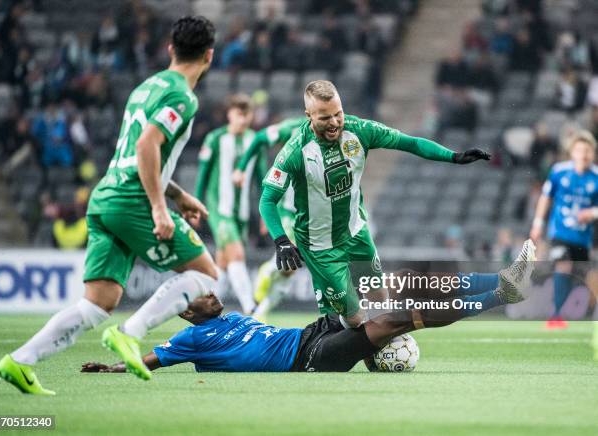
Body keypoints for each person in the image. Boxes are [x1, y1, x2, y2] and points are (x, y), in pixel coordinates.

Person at [0, 16, 218, 395]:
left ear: (170, 49)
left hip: (106, 196)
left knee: (98, 303)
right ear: (209, 56)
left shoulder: (145, 88)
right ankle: (131, 333)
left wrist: (177, 195)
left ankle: (19, 361)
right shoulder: (183, 96)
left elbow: (139, 152)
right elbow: (147, 146)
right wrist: (159, 209)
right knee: (206, 274)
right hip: (132, 200)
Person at [80, 244, 535, 373]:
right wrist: (113, 367)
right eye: (198, 294)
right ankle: (500, 297)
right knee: (394, 318)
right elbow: (151, 360)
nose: (210, 292)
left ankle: (499, 280)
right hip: (311, 360)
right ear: (184, 311)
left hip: (308, 333)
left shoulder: (230, 316)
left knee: (389, 285)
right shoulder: (189, 340)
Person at [259, 80, 491, 328]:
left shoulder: (360, 130)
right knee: (355, 320)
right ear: (309, 116)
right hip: (319, 246)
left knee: (382, 304)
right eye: (325, 118)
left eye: (338, 113)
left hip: (356, 232)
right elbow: (267, 200)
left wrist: (453, 157)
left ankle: (381, 352)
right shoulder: (295, 151)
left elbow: (409, 142)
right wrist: (281, 240)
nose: (335, 122)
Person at [194, 94, 265, 314]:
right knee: (236, 254)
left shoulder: (256, 140)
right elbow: (203, 175)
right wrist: (196, 205)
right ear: (229, 115)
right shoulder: (215, 139)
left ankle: (206, 308)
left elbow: (261, 179)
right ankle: (251, 307)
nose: (242, 120)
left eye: (246, 115)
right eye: (238, 114)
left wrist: (264, 213)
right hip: (219, 209)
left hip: (241, 212)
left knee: (224, 262)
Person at [232, 116, 305, 321]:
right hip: (289, 209)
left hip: (307, 212)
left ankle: (260, 314)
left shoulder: (331, 133)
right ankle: (268, 270)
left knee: (290, 270)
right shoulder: (293, 128)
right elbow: (260, 138)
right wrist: (241, 168)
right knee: (290, 262)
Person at [530, 130, 598, 330]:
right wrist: (537, 224)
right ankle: (556, 315)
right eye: (579, 150)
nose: (584, 154)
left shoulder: (596, 177)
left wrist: (592, 213)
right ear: (572, 152)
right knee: (563, 265)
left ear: (592, 153)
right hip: (560, 232)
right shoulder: (559, 171)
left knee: (583, 274)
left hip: (584, 237)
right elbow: (545, 198)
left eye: (587, 150)